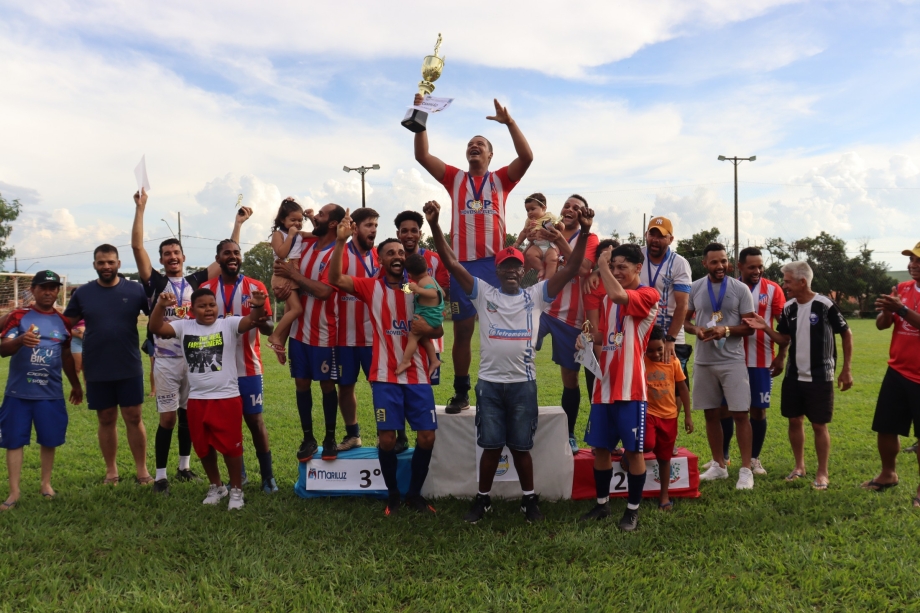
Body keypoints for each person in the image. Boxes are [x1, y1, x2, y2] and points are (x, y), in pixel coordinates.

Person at [427, 199, 593, 523]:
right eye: (505, 266)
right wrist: (434, 225)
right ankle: (482, 500)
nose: (511, 271)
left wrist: (585, 232)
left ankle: (529, 502)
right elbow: (452, 262)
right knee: (490, 447)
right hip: (490, 385)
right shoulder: (483, 293)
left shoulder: (537, 296)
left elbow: (572, 268)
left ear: (523, 269)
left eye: (516, 266)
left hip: (522, 386)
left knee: (520, 447)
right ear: (498, 271)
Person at [413, 94, 533, 414]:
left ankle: (503, 387)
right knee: (463, 333)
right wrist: (422, 112)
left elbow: (528, 156)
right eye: (470, 143)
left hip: (495, 267)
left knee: (499, 331)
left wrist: (509, 123)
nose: (474, 146)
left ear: (491, 155)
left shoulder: (501, 180)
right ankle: (462, 391)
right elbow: (422, 155)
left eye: (480, 143)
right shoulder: (455, 178)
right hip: (462, 266)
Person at [131, 187, 251, 494]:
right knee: (168, 419)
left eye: (176, 253)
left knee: (188, 417)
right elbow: (136, 247)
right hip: (166, 360)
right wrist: (141, 208)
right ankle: (160, 475)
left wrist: (237, 224)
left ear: (183, 257)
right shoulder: (156, 282)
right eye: (166, 254)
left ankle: (184, 467)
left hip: (193, 361)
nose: (172, 257)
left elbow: (227, 255)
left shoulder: (195, 281)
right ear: (161, 259)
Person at [327, 211, 443, 516]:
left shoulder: (412, 289)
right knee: (388, 439)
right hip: (384, 375)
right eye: (390, 252)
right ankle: (393, 495)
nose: (397, 255)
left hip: (417, 373)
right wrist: (341, 242)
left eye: (401, 252)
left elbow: (438, 328)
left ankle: (415, 494)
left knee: (427, 436)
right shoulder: (370, 287)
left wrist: (427, 335)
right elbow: (335, 279)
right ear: (380, 260)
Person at [148, 287, 269, 510]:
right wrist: (160, 306)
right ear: (192, 309)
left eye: (212, 305)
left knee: (232, 449)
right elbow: (155, 327)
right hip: (196, 399)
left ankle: (236, 490)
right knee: (203, 448)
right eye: (202, 306)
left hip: (227, 397)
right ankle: (217, 486)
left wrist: (258, 304)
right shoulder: (184, 326)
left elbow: (252, 320)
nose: (208, 309)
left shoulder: (228, 324)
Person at [746, 261, 853, 489]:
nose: (785, 286)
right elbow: (784, 338)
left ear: (802, 281)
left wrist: (846, 369)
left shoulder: (824, 304)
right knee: (794, 420)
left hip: (821, 376)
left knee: (819, 425)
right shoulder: (789, 307)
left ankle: (822, 472)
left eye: (787, 281)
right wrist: (765, 327)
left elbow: (846, 333)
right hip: (794, 375)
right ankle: (799, 466)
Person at [577, 244, 659, 531]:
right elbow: (604, 337)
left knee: (633, 452)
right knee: (600, 448)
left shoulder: (648, 294)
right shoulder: (607, 302)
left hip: (630, 390)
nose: (616, 271)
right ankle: (602, 505)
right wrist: (586, 340)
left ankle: (632, 511)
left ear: (639, 267)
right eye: (613, 266)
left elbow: (618, 294)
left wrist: (600, 264)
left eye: (622, 266)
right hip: (604, 387)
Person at [64, 245, 151, 485]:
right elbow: (64, 324)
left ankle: (142, 470)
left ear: (119, 264)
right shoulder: (83, 293)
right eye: (101, 262)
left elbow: (155, 318)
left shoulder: (135, 290)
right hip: (97, 366)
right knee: (105, 418)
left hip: (129, 364)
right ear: (94, 265)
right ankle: (111, 471)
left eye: (110, 262)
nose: (106, 266)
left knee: (134, 417)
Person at [198, 240, 279, 493]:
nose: (232, 257)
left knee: (255, 421)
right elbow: (196, 327)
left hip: (248, 367)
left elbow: (268, 329)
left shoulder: (255, 287)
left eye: (236, 252)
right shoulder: (206, 288)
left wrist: (258, 314)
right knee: (228, 425)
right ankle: (239, 474)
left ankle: (267, 477)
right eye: (227, 253)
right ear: (218, 258)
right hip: (218, 369)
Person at [0, 271, 83, 510]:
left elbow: (66, 355)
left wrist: (75, 384)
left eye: (53, 288)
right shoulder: (19, 316)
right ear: (33, 290)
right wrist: (20, 341)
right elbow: (4, 349)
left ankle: (45, 484)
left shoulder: (64, 322)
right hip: (19, 393)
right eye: (43, 287)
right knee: (14, 441)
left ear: (58, 291)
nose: (48, 292)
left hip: (50, 393)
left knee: (49, 439)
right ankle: (14, 492)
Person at [273, 204, 345, 461]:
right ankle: (308, 438)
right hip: (299, 332)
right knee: (301, 383)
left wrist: (293, 275)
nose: (315, 217)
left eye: (322, 215)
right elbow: (284, 272)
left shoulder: (338, 252)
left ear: (333, 224)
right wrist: (280, 289)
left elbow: (325, 291)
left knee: (327, 385)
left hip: (325, 333)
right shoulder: (303, 245)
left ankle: (330, 438)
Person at [683, 243, 757, 489]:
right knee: (711, 414)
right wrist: (696, 329)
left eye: (724, 261)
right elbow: (685, 320)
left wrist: (725, 329)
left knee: (740, 414)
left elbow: (749, 326)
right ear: (704, 263)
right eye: (714, 262)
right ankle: (719, 465)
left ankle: (746, 470)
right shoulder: (695, 287)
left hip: (732, 361)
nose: (720, 266)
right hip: (704, 361)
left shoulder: (740, 288)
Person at [530, 194, 599, 454]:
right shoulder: (548, 230)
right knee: (517, 353)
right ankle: (516, 419)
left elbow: (582, 269)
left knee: (570, 380)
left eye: (577, 208)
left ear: (584, 215)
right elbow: (529, 257)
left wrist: (559, 243)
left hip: (572, 320)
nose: (570, 210)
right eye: (567, 206)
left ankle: (569, 433)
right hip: (544, 310)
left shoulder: (589, 239)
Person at [861, 242, 920, 502]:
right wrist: (887, 311)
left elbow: (905, 314)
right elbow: (883, 325)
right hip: (897, 370)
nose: (913, 265)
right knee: (886, 427)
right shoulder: (902, 289)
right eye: (911, 260)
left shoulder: (903, 300)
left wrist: (901, 309)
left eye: (918, 261)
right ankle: (888, 474)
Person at [393, 210, 450, 453]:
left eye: (413, 230)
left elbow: (440, 294)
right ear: (398, 233)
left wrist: (432, 326)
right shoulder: (388, 256)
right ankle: (401, 435)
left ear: (420, 233)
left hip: (423, 326)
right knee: (397, 389)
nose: (409, 235)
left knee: (421, 390)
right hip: (395, 334)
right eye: (404, 230)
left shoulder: (433, 260)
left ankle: (423, 439)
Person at [332, 206, 379, 452]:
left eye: (375, 226)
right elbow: (332, 279)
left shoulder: (381, 256)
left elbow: (398, 287)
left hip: (375, 338)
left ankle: (388, 434)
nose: (373, 231)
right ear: (355, 229)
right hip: (345, 336)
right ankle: (353, 435)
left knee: (380, 386)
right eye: (368, 225)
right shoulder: (341, 253)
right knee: (345, 386)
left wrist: (414, 291)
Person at [644, 325, 693, 510]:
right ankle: (629, 457)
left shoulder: (673, 362)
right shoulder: (641, 361)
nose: (655, 354)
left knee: (665, 459)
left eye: (659, 349)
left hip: (669, 416)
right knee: (647, 443)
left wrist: (687, 415)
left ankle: (664, 496)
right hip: (649, 413)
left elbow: (683, 389)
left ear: (666, 345)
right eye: (650, 350)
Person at [266, 197, 310, 363]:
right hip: (283, 273)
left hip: (294, 273)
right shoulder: (279, 234)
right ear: (282, 220)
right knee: (296, 309)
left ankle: (280, 344)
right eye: (293, 220)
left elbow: (318, 233)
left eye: (300, 220)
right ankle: (275, 336)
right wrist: (291, 236)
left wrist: (311, 218)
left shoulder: (299, 234)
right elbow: (282, 254)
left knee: (289, 312)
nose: (297, 224)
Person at [395, 254, 443, 377]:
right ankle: (434, 360)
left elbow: (433, 294)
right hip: (434, 318)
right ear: (426, 266)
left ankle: (405, 362)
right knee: (425, 339)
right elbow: (441, 292)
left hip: (427, 318)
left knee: (413, 337)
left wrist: (417, 289)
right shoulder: (431, 279)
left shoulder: (423, 282)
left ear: (410, 275)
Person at [511, 193, 561, 280]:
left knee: (552, 259)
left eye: (532, 209)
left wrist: (560, 225)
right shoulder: (529, 221)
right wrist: (517, 242)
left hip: (549, 245)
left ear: (543, 208)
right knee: (530, 254)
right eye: (527, 210)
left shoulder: (550, 217)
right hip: (536, 245)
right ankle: (541, 269)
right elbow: (524, 232)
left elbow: (559, 225)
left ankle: (548, 280)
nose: (530, 212)